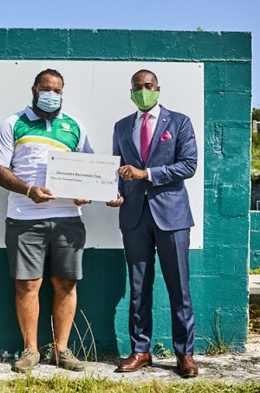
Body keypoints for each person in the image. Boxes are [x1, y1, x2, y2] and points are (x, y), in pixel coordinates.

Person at [0, 69, 93, 373]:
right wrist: (28, 190)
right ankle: (30, 351)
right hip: (24, 218)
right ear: (34, 89)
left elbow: (88, 169)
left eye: (58, 91)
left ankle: (62, 350)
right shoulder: (13, 124)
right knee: (27, 284)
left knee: (66, 283)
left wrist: (84, 192)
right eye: (46, 89)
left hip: (68, 219)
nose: (52, 95)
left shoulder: (74, 127)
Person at [107, 69, 199, 378]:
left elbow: (188, 165)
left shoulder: (179, 122)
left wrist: (147, 174)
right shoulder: (122, 126)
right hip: (134, 216)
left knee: (179, 288)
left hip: (172, 216)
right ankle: (140, 351)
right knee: (138, 287)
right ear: (131, 92)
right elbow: (118, 168)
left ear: (158, 88)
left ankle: (184, 353)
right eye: (137, 87)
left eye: (148, 85)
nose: (143, 91)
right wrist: (114, 193)